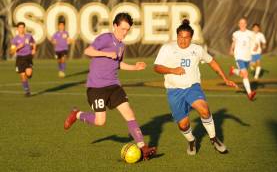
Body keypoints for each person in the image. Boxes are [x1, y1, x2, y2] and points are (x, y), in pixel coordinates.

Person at [63, 13, 156, 160]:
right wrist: (105, 54)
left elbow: (118, 63)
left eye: (127, 30)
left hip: (113, 86)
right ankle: (77, 114)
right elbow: (88, 51)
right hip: (96, 87)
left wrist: (135, 67)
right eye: (122, 29)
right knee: (100, 121)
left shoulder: (121, 45)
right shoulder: (105, 38)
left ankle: (143, 147)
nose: (124, 33)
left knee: (129, 114)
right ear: (115, 26)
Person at [154, 19, 237, 155]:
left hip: (193, 87)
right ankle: (192, 141)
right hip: (174, 91)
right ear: (177, 36)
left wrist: (225, 78)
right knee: (183, 125)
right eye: (180, 37)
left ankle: (214, 139)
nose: (183, 40)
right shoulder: (167, 48)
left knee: (204, 110)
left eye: (186, 38)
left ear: (191, 38)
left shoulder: (197, 49)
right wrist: (173, 70)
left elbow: (212, 62)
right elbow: (157, 67)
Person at [229, 18, 256, 101]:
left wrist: (254, 55)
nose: (242, 24)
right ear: (238, 24)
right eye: (240, 23)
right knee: (245, 74)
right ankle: (249, 93)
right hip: (239, 56)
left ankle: (233, 70)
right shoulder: (236, 34)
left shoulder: (250, 33)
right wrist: (231, 49)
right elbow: (233, 42)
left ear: (246, 24)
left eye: (244, 23)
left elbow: (254, 44)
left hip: (248, 57)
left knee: (242, 74)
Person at [10, 22, 36, 97]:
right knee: (22, 75)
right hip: (20, 58)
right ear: (17, 29)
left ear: (24, 28)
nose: (21, 29)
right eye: (20, 27)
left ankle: (29, 75)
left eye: (22, 27)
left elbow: (33, 43)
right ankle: (27, 91)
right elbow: (11, 51)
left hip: (28, 57)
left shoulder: (29, 36)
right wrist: (18, 47)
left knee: (28, 74)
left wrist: (34, 49)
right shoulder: (15, 39)